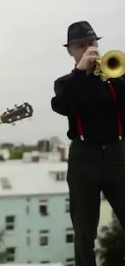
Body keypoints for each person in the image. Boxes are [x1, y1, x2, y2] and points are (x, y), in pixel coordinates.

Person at [51, 21, 125, 266]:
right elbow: (63, 105)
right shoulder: (66, 82)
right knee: (84, 230)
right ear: (70, 51)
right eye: (80, 45)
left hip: (117, 152)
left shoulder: (116, 75)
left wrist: (115, 78)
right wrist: (81, 73)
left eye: (91, 43)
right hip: (84, 156)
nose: (87, 49)